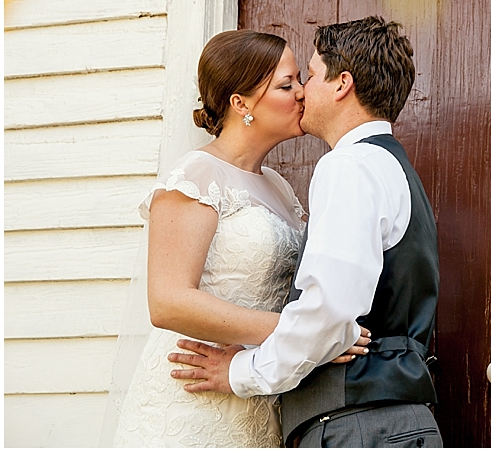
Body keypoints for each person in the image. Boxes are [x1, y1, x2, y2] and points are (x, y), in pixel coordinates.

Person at [167, 17, 443, 448]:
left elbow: (328, 313)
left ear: (341, 84)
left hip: (360, 425)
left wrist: (240, 372)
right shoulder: (393, 168)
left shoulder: (349, 166)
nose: (302, 92)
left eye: (309, 76)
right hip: (387, 421)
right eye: (290, 82)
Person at [104, 30, 370, 447]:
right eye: (287, 84)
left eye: (300, 79)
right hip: (193, 395)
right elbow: (168, 300)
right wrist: (305, 334)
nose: (302, 93)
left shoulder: (280, 188)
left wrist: (309, 334)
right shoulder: (196, 175)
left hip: (254, 394)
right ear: (240, 103)